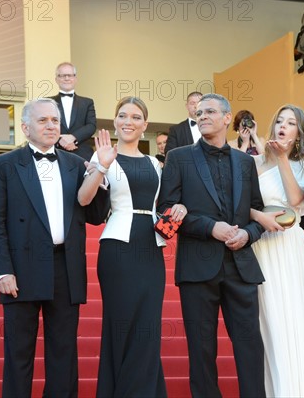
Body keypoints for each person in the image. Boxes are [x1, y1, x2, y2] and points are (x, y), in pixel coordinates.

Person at [0, 98, 107, 397]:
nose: (51, 125)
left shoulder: (77, 164)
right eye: (43, 121)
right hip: (22, 269)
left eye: (55, 120)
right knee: (19, 354)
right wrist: (1, 272)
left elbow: (94, 216)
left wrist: (100, 173)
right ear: (25, 128)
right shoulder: (4, 165)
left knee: (64, 355)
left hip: (66, 267)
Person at [158, 93, 266, 397]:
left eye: (209, 111)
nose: (202, 115)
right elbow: (167, 211)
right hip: (197, 267)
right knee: (202, 351)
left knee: (250, 349)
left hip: (241, 266)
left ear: (226, 118)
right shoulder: (178, 157)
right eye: (199, 112)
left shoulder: (246, 162)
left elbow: (256, 213)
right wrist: (210, 228)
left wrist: (247, 234)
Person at [77, 97, 185, 397]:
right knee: (121, 326)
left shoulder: (155, 163)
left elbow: (160, 209)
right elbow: (84, 200)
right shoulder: (103, 158)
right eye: (122, 116)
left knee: (148, 327)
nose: (128, 121)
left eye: (136, 117)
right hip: (118, 250)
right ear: (115, 122)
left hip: (151, 249)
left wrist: (178, 213)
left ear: (145, 125)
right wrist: (100, 165)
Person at [249, 104, 304, 397]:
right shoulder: (254, 163)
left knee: (294, 320)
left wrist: (283, 159)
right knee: (268, 324)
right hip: (259, 246)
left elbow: (296, 199)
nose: (283, 126)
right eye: (280, 121)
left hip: (289, 247)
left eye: (291, 123)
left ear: (299, 133)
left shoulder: (303, 163)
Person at [51, 62, 97, 161]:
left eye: (70, 75)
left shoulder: (87, 102)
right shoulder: (47, 103)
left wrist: (73, 137)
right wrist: (60, 140)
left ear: (75, 78)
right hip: (55, 153)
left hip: (82, 155)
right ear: (56, 79)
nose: (67, 78)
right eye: (62, 75)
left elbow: (91, 125)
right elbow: (44, 125)